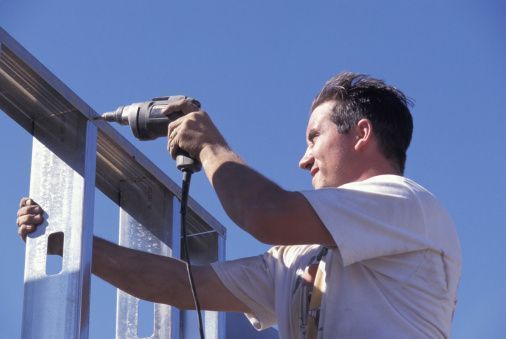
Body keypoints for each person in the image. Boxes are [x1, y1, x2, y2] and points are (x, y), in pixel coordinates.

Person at [16, 72, 461, 338]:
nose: (303, 158)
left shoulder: (407, 206)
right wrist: (72, 240)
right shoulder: (298, 257)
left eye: (314, 138)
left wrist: (209, 146)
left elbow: (264, 215)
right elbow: (181, 284)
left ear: (361, 134)